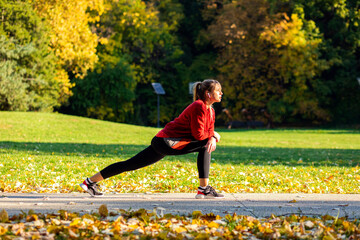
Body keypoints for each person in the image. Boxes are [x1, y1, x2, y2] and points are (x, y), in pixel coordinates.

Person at [80, 79, 224, 199]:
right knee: (205, 144)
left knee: (130, 164)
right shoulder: (199, 106)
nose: (221, 93)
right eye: (218, 91)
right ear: (208, 93)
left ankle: (89, 182)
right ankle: (203, 189)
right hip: (166, 142)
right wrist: (213, 137)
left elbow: (208, 131)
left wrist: (212, 136)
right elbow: (199, 135)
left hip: (165, 142)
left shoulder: (210, 110)